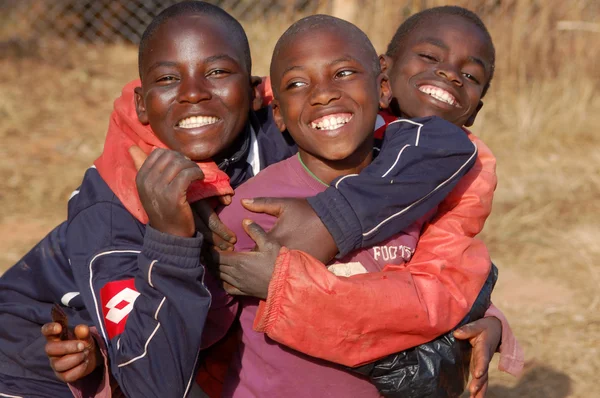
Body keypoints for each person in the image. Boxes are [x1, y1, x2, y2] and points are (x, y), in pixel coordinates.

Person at [0, 2, 485, 397]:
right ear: (143, 103)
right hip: (42, 364)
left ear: (257, 93)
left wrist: (332, 219)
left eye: (217, 72)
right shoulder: (113, 207)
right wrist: (171, 238)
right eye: (169, 79)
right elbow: (151, 383)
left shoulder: (291, 127)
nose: (193, 94)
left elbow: (440, 148)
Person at [216, 6, 523, 398]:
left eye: (344, 73)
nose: (325, 92)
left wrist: (487, 317)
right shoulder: (256, 203)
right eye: (429, 57)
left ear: (380, 87)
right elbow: (204, 321)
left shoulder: (435, 181)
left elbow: (449, 274)